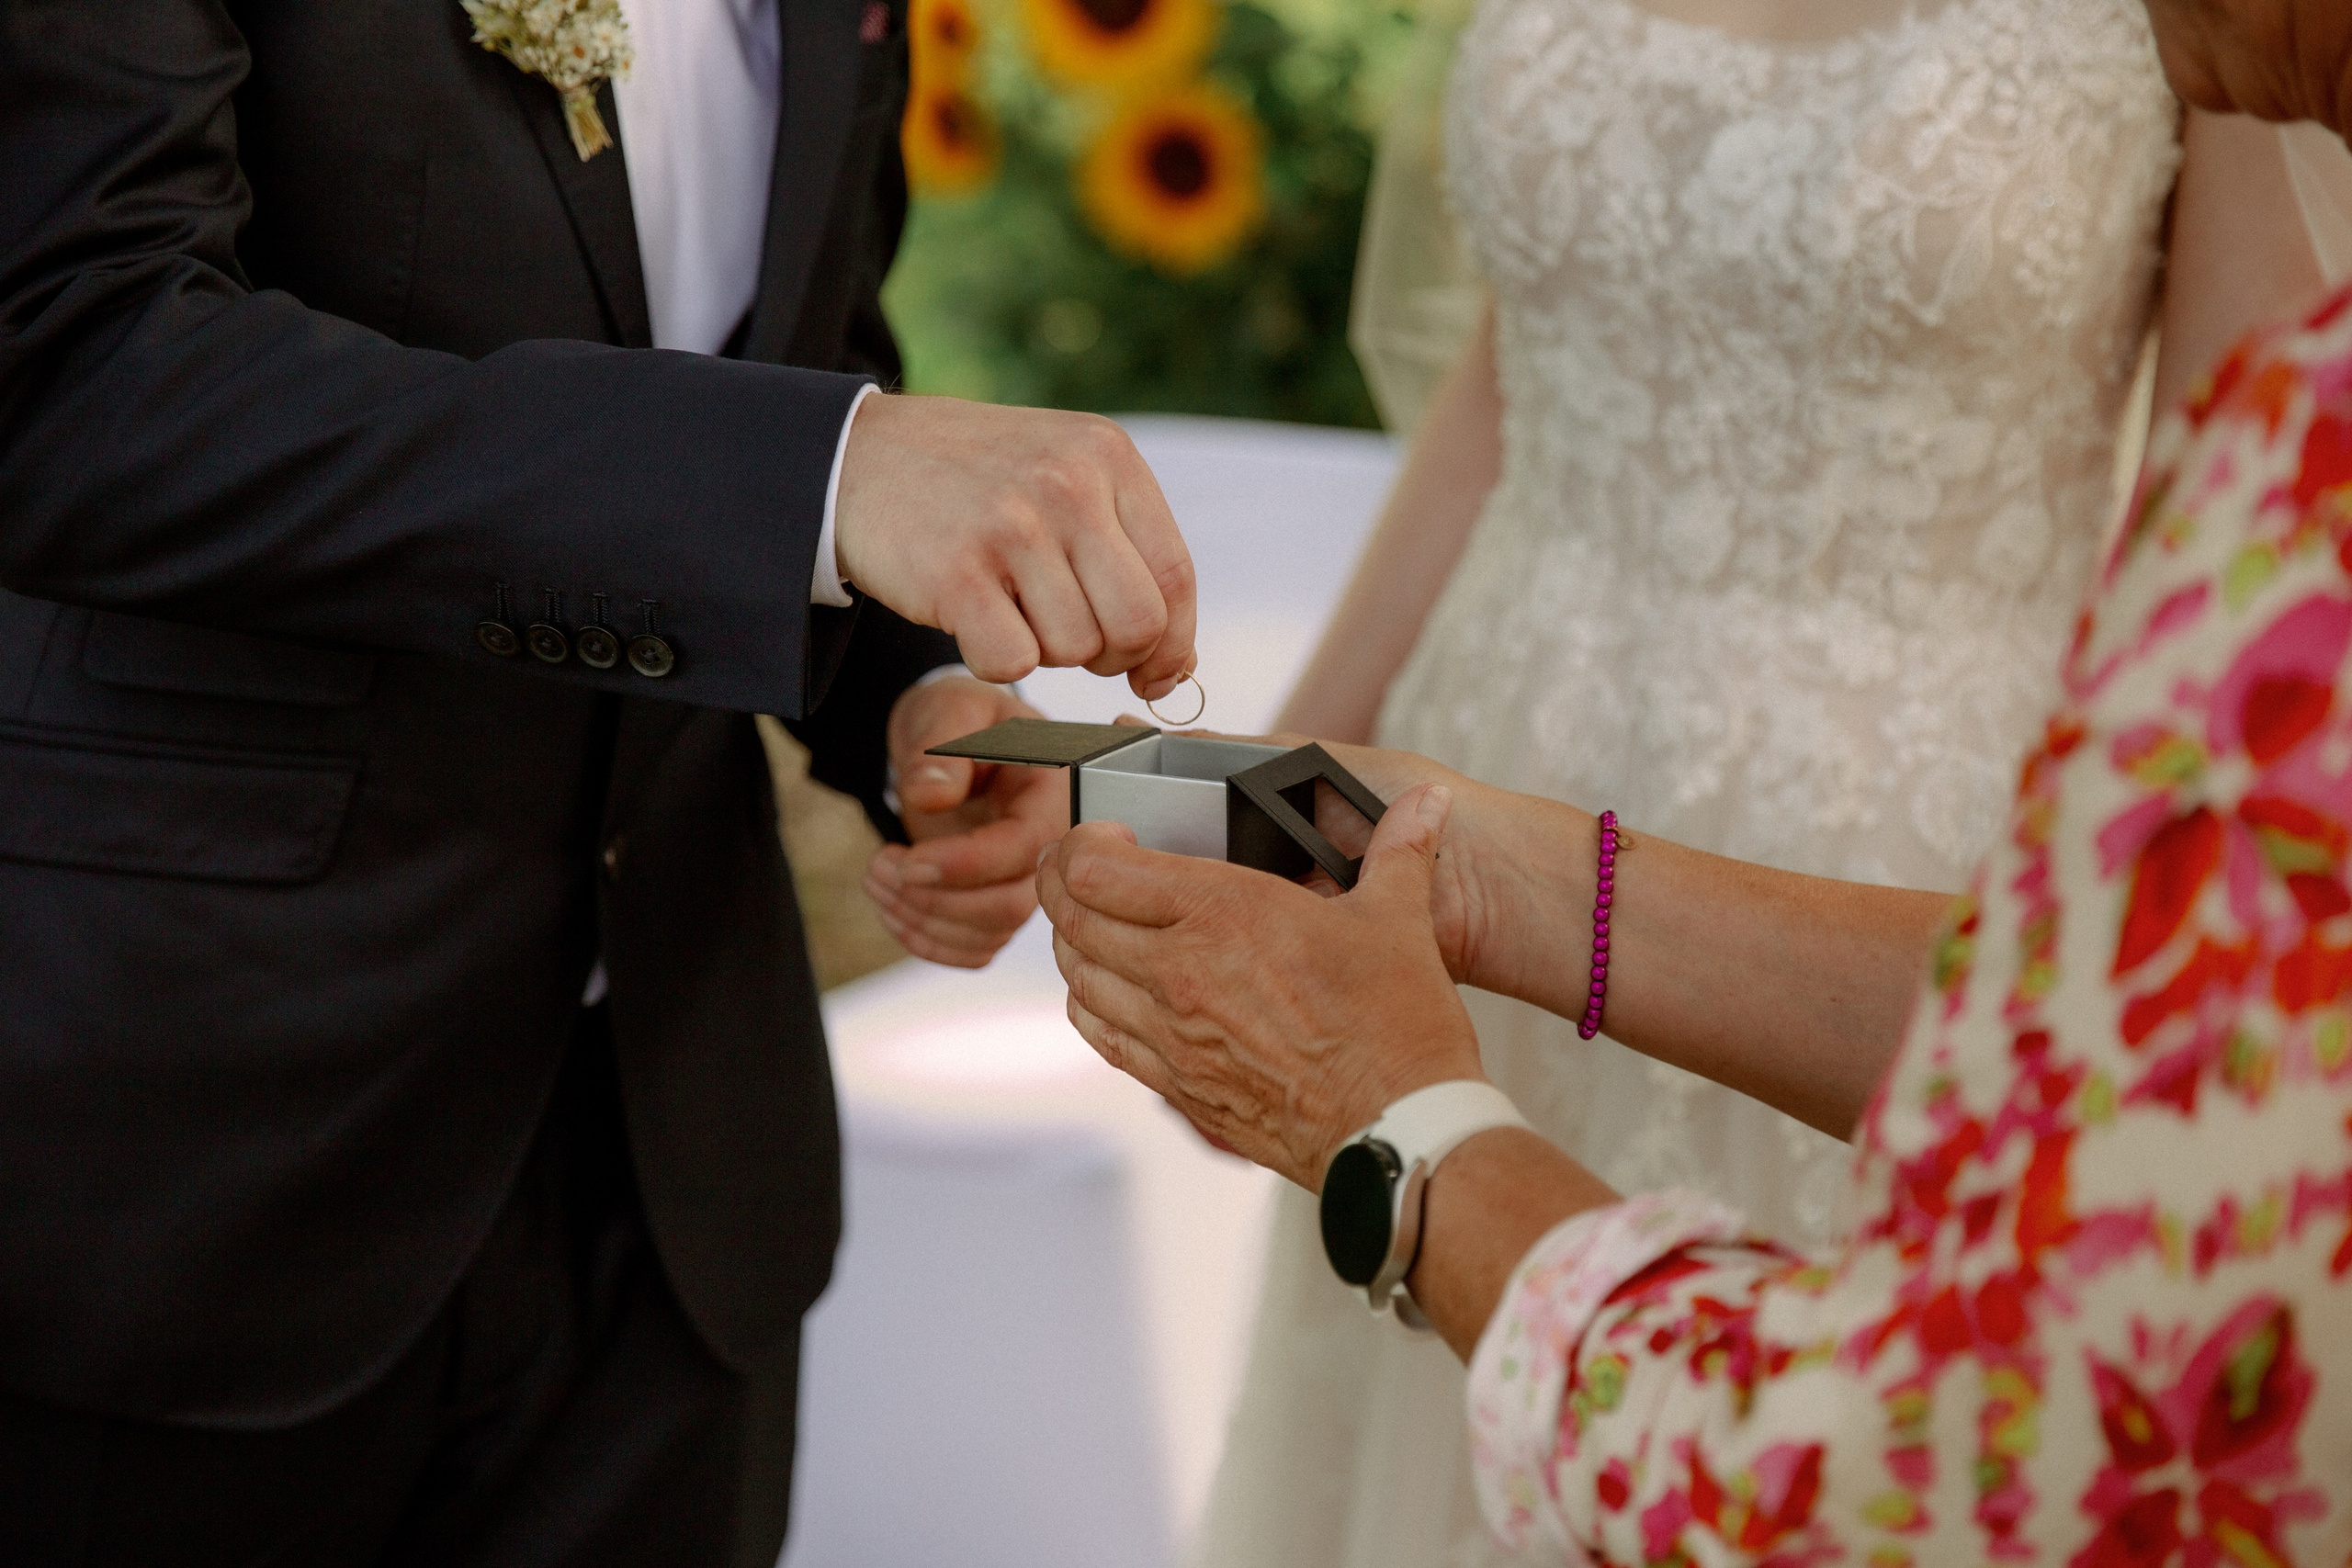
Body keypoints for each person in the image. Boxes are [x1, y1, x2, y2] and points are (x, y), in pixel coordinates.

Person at [1040, 4, 2352, 1559]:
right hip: (1496, 745)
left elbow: (1896, 1480)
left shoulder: (2296, 417)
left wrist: (1398, 1140)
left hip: (1903, 856)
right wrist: (1256, 778)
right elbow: (1520, 368)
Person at [0, 3, 1192, 1562]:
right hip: (207, 1145)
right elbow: (85, 360)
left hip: (681, 1155)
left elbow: (802, 337)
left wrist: (911, 688)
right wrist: (812, 482)